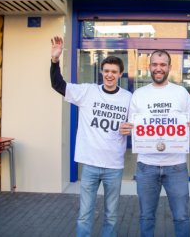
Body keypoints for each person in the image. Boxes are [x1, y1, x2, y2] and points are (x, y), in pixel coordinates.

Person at [49, 36, 132, 237]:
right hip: (90, 164)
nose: (109, 75)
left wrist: (130, 129)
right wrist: (54, 61)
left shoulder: (129, 98)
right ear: (101, 72)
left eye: (114, 72)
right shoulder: (87, 91)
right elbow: (58, 85)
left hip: (114, 165)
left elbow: (138, 126)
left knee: (111, 215)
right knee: (84, 214)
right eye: (106, 71)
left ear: (120, 74)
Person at [119, 50, 190, 237]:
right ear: (149, 67)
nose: (158, 68)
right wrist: (126, 129)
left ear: (169, 68)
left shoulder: (181, 92)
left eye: (163, 65)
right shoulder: (139, 94)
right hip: (146, 166)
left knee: (181, 216)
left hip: (176, 166)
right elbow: (132, 125)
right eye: (155, 64)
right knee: (146, 216)